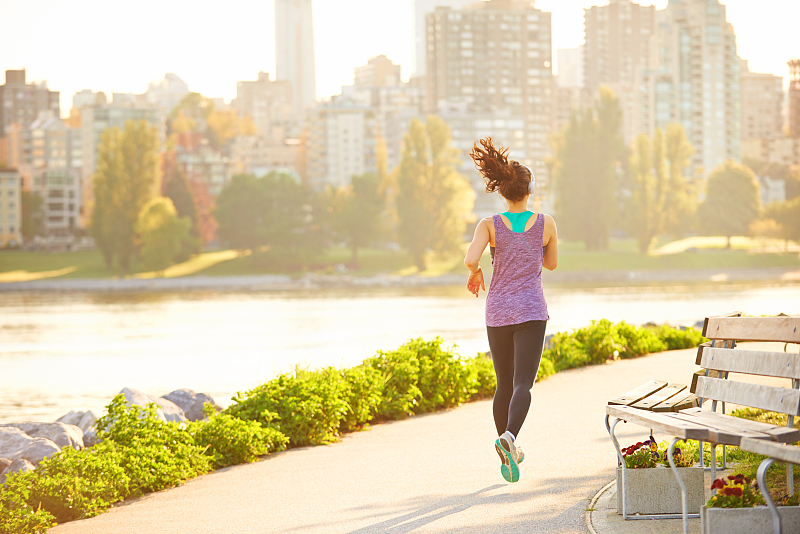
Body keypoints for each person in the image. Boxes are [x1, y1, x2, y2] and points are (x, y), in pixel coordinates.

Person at [464, 137, 559, 483]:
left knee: (503, 385)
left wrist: (476, 272)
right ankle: (510, 438)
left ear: (502, 191)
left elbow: (470, 258)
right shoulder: (545, 223)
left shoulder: (489, 225)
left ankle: (509, 454)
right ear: (529, 190)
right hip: (531, 312)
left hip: (498, 312)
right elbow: (551, 265)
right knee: (523, 384)